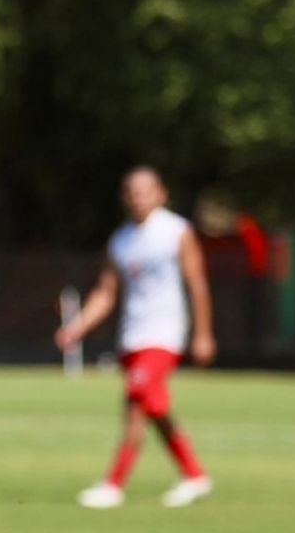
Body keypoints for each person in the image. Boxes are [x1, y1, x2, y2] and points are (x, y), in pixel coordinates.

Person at [56, 166, 216, 508]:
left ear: (161, 193)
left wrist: (203, 333)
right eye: (132, 192)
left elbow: (197, 283)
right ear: (125, 197)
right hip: (133, 335)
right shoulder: (122, 241)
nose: (139, 198)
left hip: (165, 333)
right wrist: (78, 326)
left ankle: (113, 485)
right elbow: (106, 293)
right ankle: (194, 475)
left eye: (146, 191)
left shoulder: (176, 231)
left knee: (138, 396)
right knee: (150, 407)